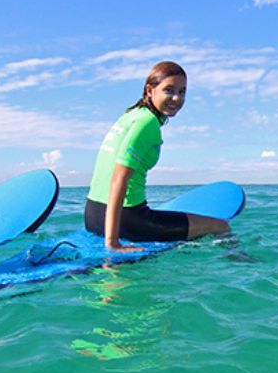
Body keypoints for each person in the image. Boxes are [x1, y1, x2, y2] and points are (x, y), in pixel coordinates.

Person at [85, 61, 229, 252]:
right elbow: (119, 178)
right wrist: (113, 243)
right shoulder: (148, 123)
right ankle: (243, 265)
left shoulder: (131, 115)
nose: (176, 98)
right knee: (221, 226)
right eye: (169, 90)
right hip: (126, 219)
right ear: (150, 90)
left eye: (182, 91)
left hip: (93, 215)